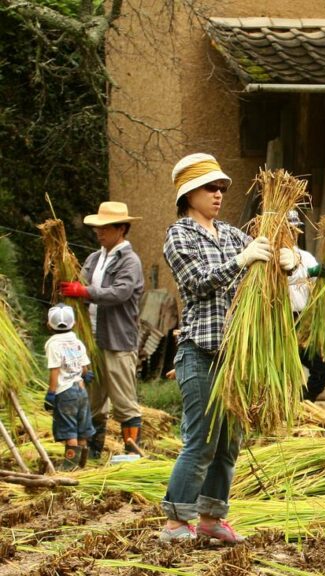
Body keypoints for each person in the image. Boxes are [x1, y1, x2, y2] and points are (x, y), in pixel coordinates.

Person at [160, 153, 297, 544]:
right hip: (199, 351)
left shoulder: (233, 234)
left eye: (221, 188)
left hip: (235, 356)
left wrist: (285, 263)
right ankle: (175, 523)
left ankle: (210, 519)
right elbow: (198, 282)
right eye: (210, 188)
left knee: (227, 442)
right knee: (201, 438)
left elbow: (264, 261)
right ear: (189, 193)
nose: (218, 194)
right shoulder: (180, 235)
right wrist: (242, 259)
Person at [59, 201, 145, 458]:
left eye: (106, 228)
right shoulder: (95, 258)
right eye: (98, 228)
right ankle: (94, 453)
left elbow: (120, 292)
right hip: (92, 340)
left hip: (118, 340)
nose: (99, 232)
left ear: (121, 229)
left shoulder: (130, 261)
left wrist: (85, 291)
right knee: (94, 401)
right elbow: (81, 284)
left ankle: (132, 454)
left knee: (124, 402)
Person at [284, 209, 325, 401]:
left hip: (304, 322)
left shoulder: (305, 256)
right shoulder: (272, 256)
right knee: (286, 370)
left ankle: (304, 402)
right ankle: (286, 409)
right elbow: (281, 280)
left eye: (296, 229)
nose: (293, 233)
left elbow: (323, 278)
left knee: (324, 368)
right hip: (280, 324)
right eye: (289, 228)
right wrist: (311, 272)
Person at [43, 304, 95, 471]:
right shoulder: (76, 341)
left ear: (49, 324)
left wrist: (51, 393)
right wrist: (85, 375)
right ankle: (82, 466)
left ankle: (70, 468)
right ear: (73, 323)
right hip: (81, 390)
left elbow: (55, 370)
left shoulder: (53, 344)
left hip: (65, 392)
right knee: (82, 429)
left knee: (69, 430)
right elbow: (85, 367)